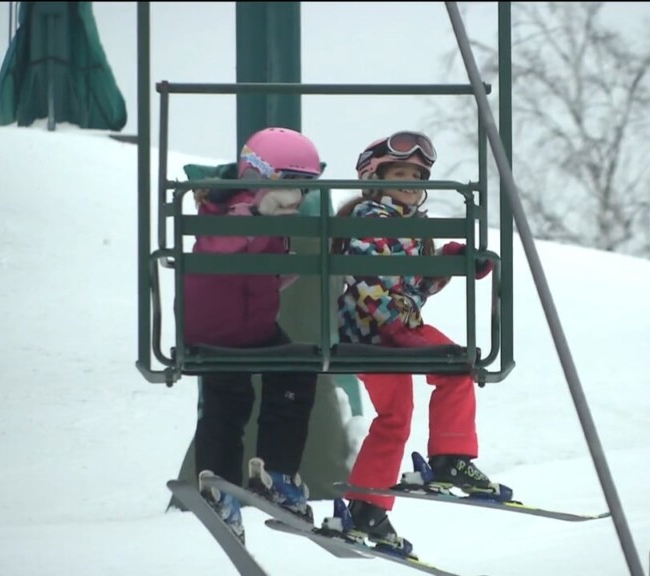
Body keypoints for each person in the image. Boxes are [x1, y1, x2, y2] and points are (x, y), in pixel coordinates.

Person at [328, 131, 510, 555]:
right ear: (375, 177)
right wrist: (397, 316)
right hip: (382, 327)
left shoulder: (404, 226)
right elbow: (378, 281)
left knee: (395, 418)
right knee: (456, 365)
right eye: (400, 174)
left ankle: (366, 508)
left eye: (417, 175)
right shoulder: (371, 220)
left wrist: (448, 260)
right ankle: (451, 458)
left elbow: (415, 280)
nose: (411, 182)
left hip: (374, 330)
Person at [183, 126, 322, 545]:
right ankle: (222, 482)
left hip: (253, 325)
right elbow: (219, 248)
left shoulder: (270, 216)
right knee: (228, 397)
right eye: (291, 186)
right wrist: (257, 216)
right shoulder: (227, 209)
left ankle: (272, 473)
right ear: (259, 175)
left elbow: (258, 274)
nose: (297, 199)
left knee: (295, 369)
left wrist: (282, 272)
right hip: (218, 330)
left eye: (306, 189)